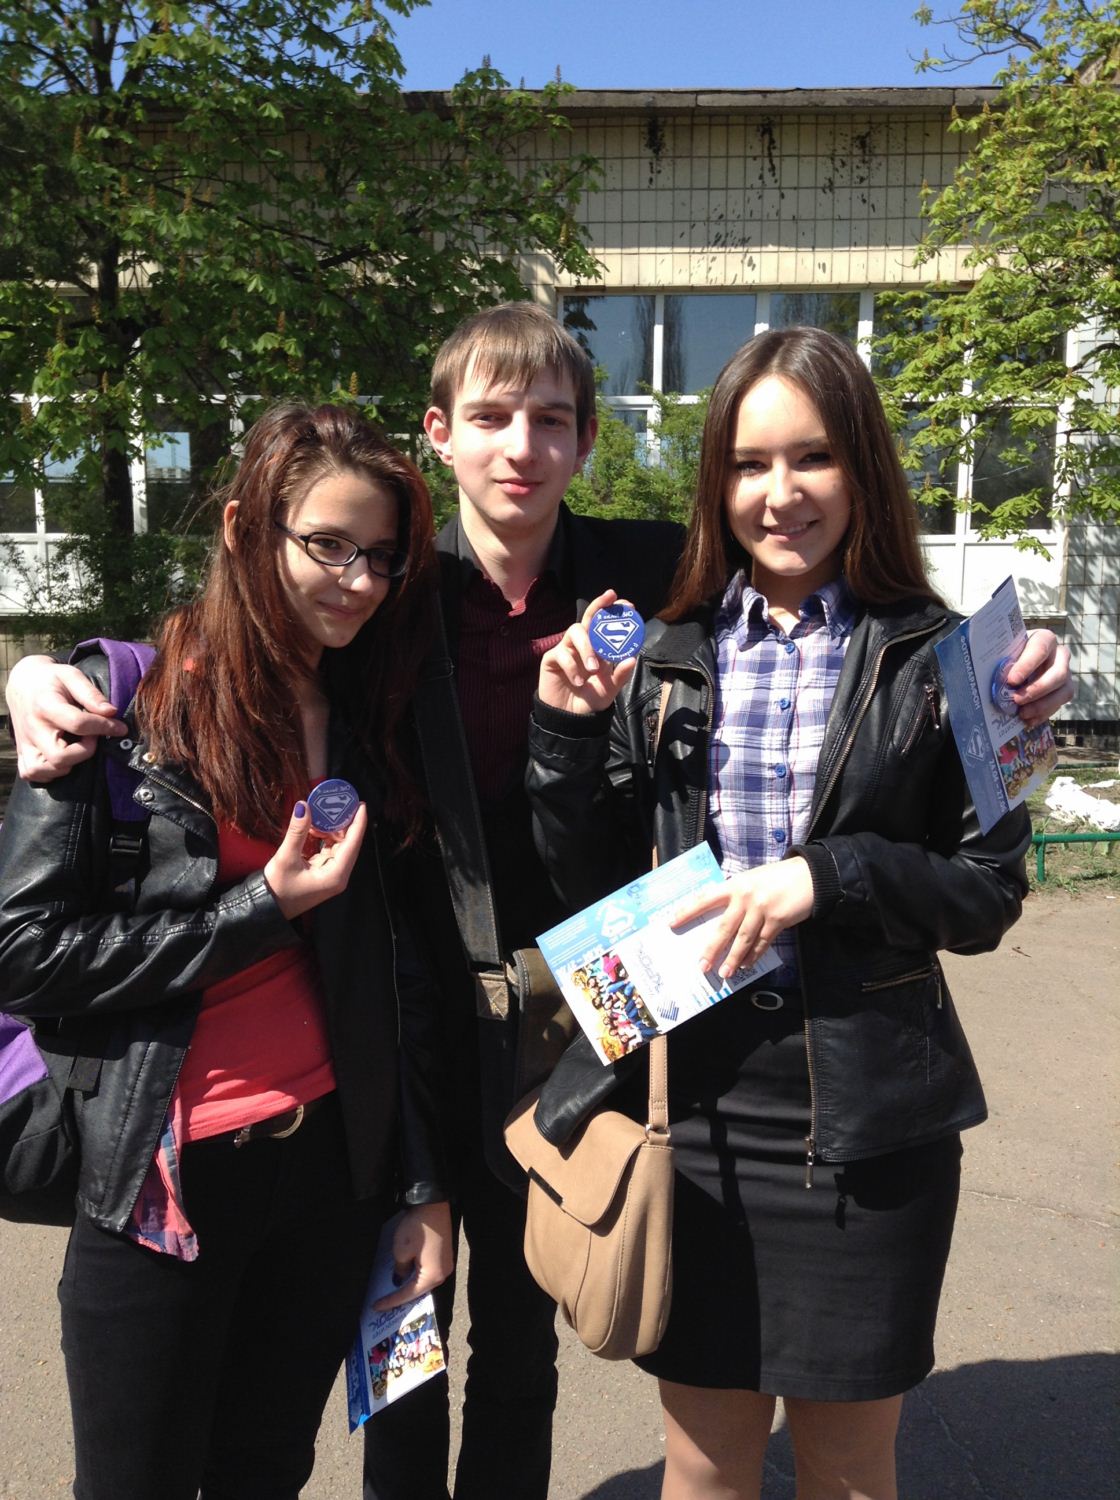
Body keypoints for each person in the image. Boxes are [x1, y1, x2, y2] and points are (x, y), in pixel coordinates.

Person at [3, 306, 1075, 1500]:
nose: (521, 447)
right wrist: (52, 671)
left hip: (581, 1020)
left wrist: (1020, 663)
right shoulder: (386, 589)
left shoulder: (654, 575)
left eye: (551, 420)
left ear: (586, 440)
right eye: (490, 417)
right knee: (402, 1335)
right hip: (408, 1021)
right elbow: (246, 623)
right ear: (440, 434)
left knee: (522, 1340)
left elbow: (843, 617)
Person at [524, 326, 1039, 1500]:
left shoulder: (953, 658)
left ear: (862, 468)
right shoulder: (665, 655)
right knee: (703, 1463)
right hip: (692, 1105)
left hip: (868, 1117)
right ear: (718, 483)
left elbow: (986, 892)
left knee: (847, 1470)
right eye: (749, 464)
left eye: (812, 457)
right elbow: (588, 884)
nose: (780, 492)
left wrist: (831, 876)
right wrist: (562, 734)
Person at [0, 404, 453, 1500]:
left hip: (327, 1172)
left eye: (380, 556)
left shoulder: (365, 715)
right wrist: (261, 908)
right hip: (167, 1174)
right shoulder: (126, 706)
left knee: (264, 1473)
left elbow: (398, 974)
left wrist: (418, 1186)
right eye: (328, 544)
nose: (357, 580)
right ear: (248, 527)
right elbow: (24, 951)